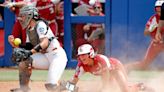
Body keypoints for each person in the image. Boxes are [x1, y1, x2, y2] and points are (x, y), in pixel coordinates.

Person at [10, 5, 67, 92]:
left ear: (30, 15)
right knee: (24, 61)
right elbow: (29, 46)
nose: (21, 18)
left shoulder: (40, 24)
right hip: (46, 57)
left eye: (23, 15)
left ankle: (70, 87)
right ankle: (24, 89)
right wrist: (15, 45)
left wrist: (30, 52)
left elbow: (45, 43)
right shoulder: (29, 29)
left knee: (50, 86)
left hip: (57, 56)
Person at [62, 44, 150, 92]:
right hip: (106, 73)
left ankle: (139, 86)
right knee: (112, 88)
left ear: (90, 54)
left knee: (125, 90)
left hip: (116, 69)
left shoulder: (101, 59)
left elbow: (107, 75)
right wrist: (64, 87)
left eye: (84, 55)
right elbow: (74, 81)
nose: (82, 57)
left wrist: (104, 88)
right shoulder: (81, 66)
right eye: (80, 55)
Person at [125, 0, 164, 71]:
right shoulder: (154, 19)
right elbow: (145, 32)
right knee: (144, 65)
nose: (159, 12)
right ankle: (126, 67)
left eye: (160, 10)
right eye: (157, 10)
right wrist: (151, 29)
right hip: (156, 44)